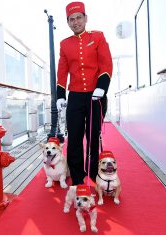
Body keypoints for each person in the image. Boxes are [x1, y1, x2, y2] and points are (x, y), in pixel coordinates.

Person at [56, 1, 113, 185]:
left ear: (85, 18)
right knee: (74, 137)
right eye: (71, 19)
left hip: (96, 95)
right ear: (68, 22)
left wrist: (102, 87)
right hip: (75, 97)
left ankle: (94, 171)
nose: (76, 22)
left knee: (93, 135)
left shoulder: (98, 37)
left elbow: (106, 64)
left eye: (79, 18)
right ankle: (78, 176)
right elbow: (62, 72)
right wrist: (60, 95)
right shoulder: (64, 44)